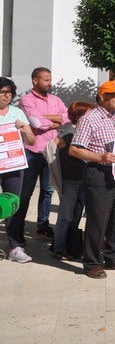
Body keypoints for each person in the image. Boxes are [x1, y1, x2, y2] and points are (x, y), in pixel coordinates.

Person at [69, 80, 115, 279]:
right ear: (102, 96)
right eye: (114, 94)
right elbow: (74, 149)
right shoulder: (89, 118)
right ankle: (91, 263)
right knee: (98, 220)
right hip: (98, 172)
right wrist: (100, 157)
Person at [16, 67, 69, 239]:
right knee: (26, 192)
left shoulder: (55, 99)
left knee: (47, 191)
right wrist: (56, 120)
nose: (49, 83)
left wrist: (47, 117)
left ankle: (43, 225)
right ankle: (17, 228)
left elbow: (68, 116)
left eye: (50, 79)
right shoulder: (26, 100)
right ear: (35, 80)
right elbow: (36, 122)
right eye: (45, 80)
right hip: (32, 152)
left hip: (51, 152)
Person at [51, 101, 94, 261]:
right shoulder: (67, 132)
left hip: (84, 179)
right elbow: (51, 148)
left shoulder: (85, 130)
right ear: (80, 116)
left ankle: (71, 245)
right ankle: (59, 248)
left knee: (76, 215)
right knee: (65, 215)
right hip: (70, 180)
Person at [0, 78, 36, 263]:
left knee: (12, 205)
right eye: (2, 91)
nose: (6, 95)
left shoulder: (17, 112)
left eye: (9, 92)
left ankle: (14, 246)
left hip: (13, 166)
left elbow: (31, 140)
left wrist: (24, 128)